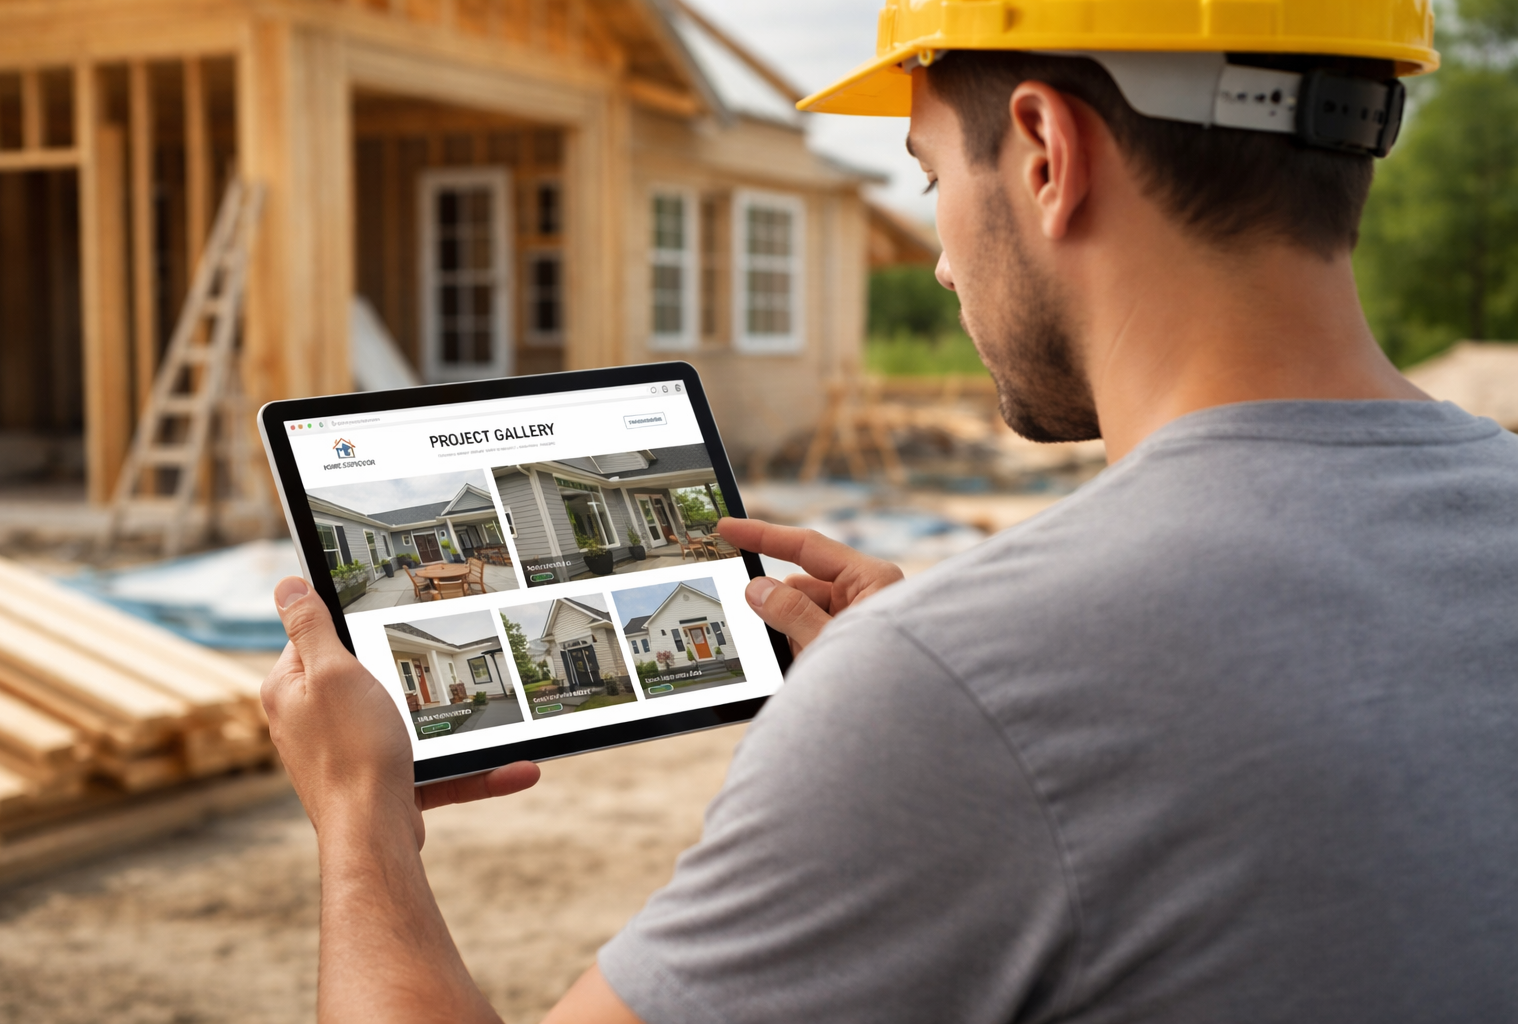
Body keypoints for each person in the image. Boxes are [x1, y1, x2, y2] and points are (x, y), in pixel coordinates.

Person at [261, 2, 1518, 1021]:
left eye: (926, 181)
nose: (941, 261)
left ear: (1044, 153)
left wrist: (361, 824)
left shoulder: (960, 689)